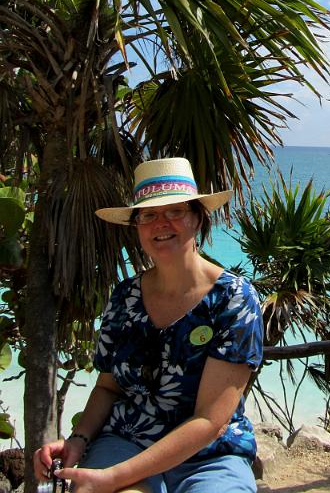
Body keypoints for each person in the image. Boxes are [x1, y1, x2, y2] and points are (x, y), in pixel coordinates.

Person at [33, 157, 264, 493]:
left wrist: (113, 477)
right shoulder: (125, 297)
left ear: (198, 218)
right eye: (149, 214)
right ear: (137, 225)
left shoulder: (234, 300)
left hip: (209, 454)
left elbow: (209, 422)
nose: (161, 223)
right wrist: (77, 442)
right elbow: (108, 388)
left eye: (175, 211)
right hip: (127, 438)